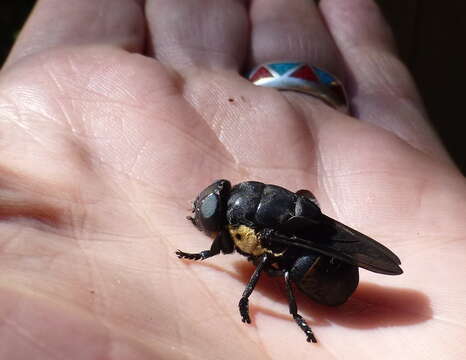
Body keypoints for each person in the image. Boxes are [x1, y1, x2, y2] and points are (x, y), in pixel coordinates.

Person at [0, 0, 465, 358]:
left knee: (280, 263)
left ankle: (298, 315)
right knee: (282, 253)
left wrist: (246, 296)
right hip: (316, 250)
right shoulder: (248, 209)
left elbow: (265, 258)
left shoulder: (252, 223)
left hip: (331, 282)